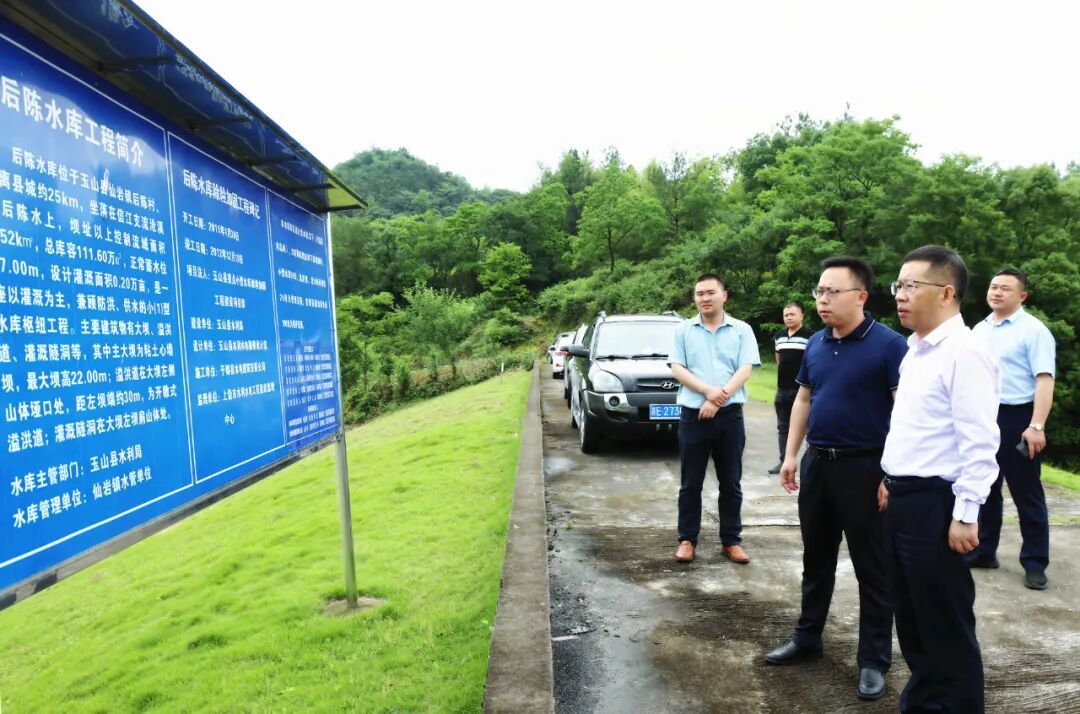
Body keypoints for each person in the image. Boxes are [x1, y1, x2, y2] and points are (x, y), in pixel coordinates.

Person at [763, 257, 907, 702]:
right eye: (819, 292)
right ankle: (808, 638)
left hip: (866, 469)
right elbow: (804, 398)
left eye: (832, 292)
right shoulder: (816, 343)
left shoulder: (890, 345)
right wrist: (791, 455)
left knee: (872, 568)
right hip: (818, 465)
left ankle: (873, 660)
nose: (822, 300)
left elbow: (905, 414)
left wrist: (892, 472)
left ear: (861, 296)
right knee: (817, 558)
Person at [882, 245, 1000, 713]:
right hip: (903, 498)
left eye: (911, 285)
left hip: (937, 505)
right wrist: (889, 477)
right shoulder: (916, 349)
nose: (900, 295)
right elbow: (915, 427)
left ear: (947, 292)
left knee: (944, 625)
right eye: (898, 285)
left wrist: (967, 513)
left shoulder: (966, 352)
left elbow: (980, 441)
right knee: (912, 620)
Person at [969, 268, 1056, 590]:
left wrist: (1036, 425)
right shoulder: (979, 329)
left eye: (1005, 288)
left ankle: (1035, 562)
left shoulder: (1034, 331)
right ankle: (984, 551)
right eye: (993, 286)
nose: (997, 292)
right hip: (983, 414)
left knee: (1026, 492)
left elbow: (1044, 379)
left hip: (1018, 417)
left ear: (1022, 296)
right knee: (985, 486)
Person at [668, 273, 761, 564]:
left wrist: (718, 398)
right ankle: (687, 539)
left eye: (710, 292)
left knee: (731, 482)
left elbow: (746, 368)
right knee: (690, 483)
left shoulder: (741, 330)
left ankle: (731, 541)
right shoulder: (683, 330)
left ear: (724, 296)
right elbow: (677, 368)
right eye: (699, 294)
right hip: (693, 416)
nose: (704, 298)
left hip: (730, 417)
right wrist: (707, 391)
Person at [769, 303, 813, 475]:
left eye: (792, 314)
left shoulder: (811, 336)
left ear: (802, 315)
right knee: (783, 428)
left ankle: (811, 464)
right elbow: (778, 360)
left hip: (803, 390)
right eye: (786, 315)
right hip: (782, 389)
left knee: (810, 427)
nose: (788, 317)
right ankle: (784, 462)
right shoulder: (779, 336)